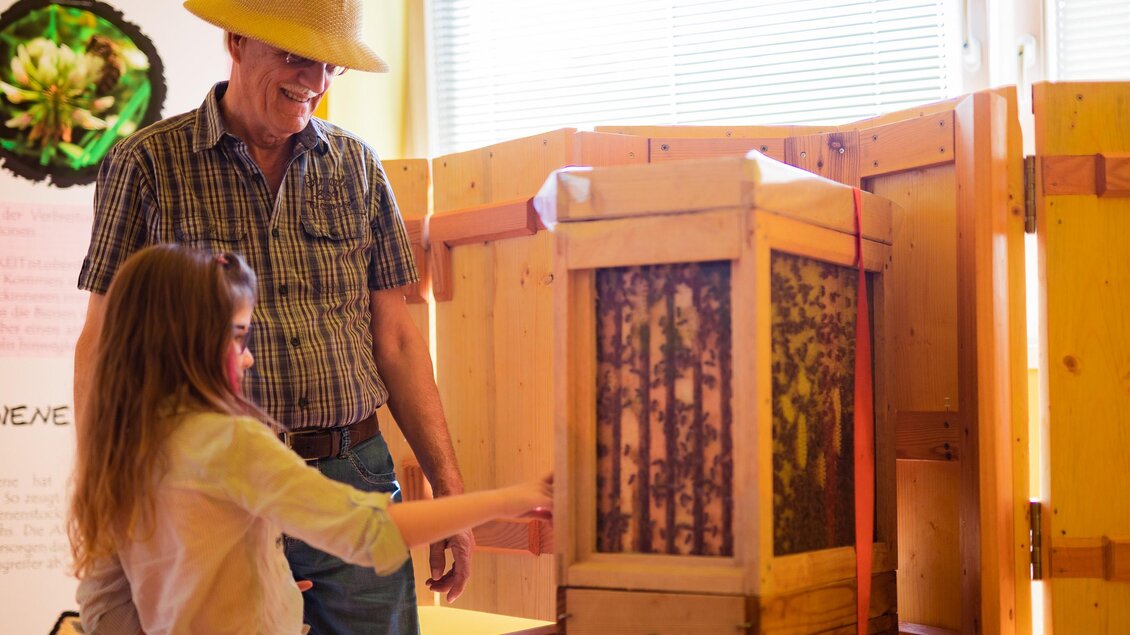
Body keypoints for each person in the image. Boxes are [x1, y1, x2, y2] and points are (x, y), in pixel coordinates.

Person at [73, 1, 470, 633]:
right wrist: (104, 493)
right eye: (296, 56)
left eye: (331, 67)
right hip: (213, 490)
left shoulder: (359, 168)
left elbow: (396, 339)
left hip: (353, 471)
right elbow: (103, 339)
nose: (315, 82)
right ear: (237, 41)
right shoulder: (147, 163)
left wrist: (451, 493)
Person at [68, 244, 551, 635]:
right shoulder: (228, 442)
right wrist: (508, 498)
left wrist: (263, 585)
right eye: (238, 336)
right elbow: (369, 530)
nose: (248, 358)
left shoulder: (124, 446)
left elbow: (107, 598)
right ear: (188, 341)